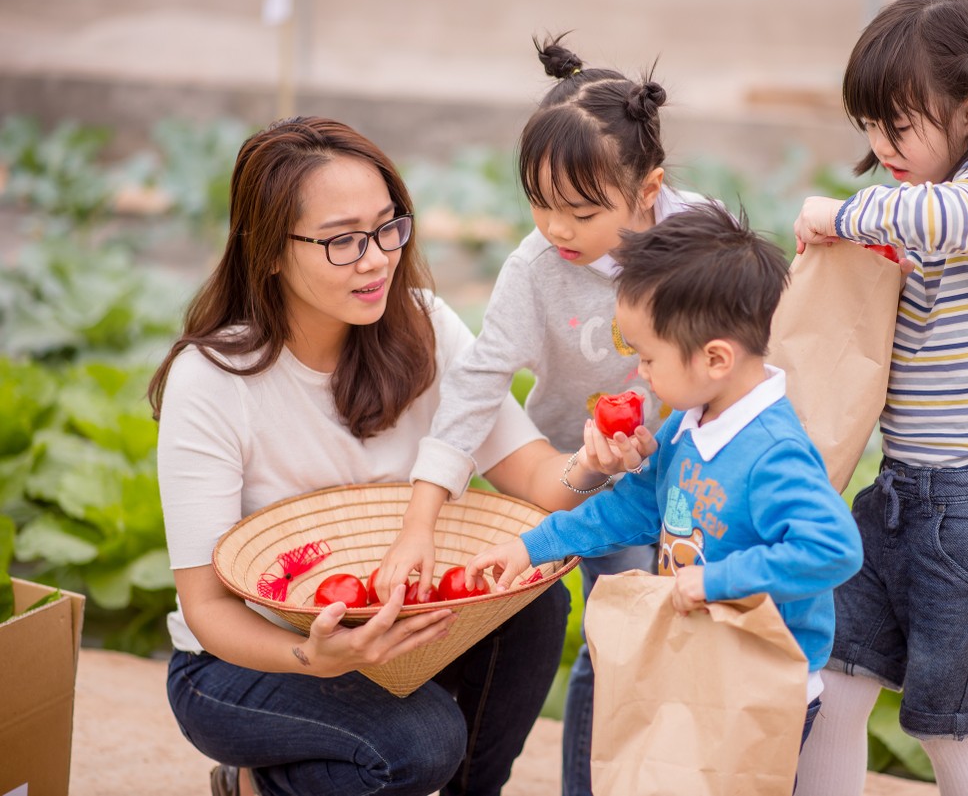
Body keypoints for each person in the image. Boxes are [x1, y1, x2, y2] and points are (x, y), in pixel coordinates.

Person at [148, 116, 648, 796]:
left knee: (532, 602)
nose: (378, 257)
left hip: (398, 636)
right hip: (248, 662)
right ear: (267, 250)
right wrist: (312, 655)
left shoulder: (424, 327)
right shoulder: (212, 380)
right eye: (343, 240)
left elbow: (531, 477)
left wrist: (593, 462)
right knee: (420, 741)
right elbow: (206, 605)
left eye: (388, 227)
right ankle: (254, 785)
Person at [401, 35, 708, 796]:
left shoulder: (700, 237)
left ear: (648, 190)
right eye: (538, 204)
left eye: (580, 210)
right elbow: (472, 388)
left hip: (696, 468)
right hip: (586, 476)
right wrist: (423, 512)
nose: (555, 229)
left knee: (690, 634)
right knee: (614, 640)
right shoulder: (534, 274)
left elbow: (757, 337)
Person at [465, 202, 864, 767]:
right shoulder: (688, 423)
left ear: (716, 358)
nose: (641, 373)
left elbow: (833, 550)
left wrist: (717, 581)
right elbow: (631, 507)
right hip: (702, 658)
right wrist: (533, 546)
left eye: (648, 358)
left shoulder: (772, 454)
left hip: (760, 683)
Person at [790, 0, 968, 794]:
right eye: (869, 127)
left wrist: (837, 213)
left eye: (897, 127)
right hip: (900, 495)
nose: (879, 147)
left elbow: (949, 217)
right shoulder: (933, 206)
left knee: (948, 727)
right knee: (835, 681)